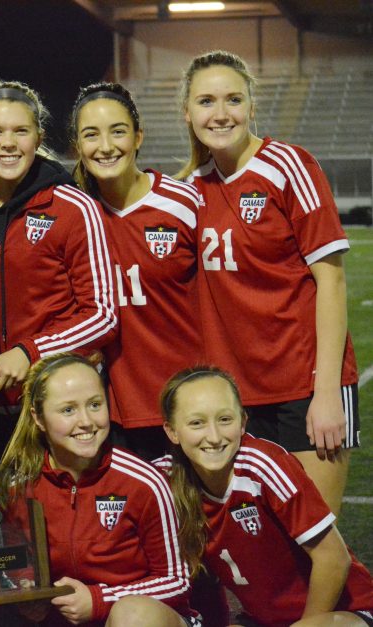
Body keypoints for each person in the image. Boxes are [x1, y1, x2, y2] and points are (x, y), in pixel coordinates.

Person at [178, 50, 358, 516]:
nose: (221, 114)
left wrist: (326, 395)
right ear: (188, 113)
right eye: (206, 102)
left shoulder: (290, 166)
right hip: (236, 398)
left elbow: (332, 284)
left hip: (305, 386)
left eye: (233, 99)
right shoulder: (189, 189)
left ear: (251, 107)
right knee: (265, 548)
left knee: (320, 542)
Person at [0, 80, 117, 465]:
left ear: (38, 136)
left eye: (20, 131)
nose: (8, 143)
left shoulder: (75, 208)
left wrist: (31, 351)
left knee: (63, 524)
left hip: (63, 406)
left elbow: (103, 315)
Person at [158, 367, 373, 627]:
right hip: (261, 621)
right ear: (171, 431)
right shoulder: (163, 479)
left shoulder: (264, 465)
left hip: (345, 613)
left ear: (243, 423)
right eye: (196, 423)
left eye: (225, 419)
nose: (213, 437)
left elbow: (334, 559)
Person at [0, 353, 193, 627]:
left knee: (132, 616)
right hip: (63, 620)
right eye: (68, 410)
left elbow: (177, 582)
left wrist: (100, 600)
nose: (86, 421)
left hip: (142, 618)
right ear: (38, 418)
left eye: (95, 405)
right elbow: (14, 565)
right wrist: (26, 594)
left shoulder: (144, 483)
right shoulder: (19, 487)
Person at [68, 82, 201, 461]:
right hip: (108, 414)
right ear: (77, 146)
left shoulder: (184, 203)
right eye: (91, 134)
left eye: (118, 131)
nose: (106, 146)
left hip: (183, 403)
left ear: (138, 136)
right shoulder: (74, 214)